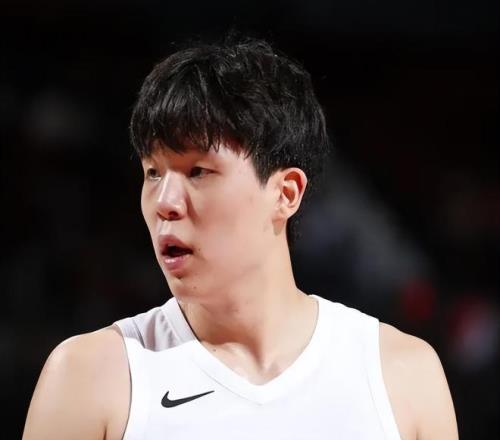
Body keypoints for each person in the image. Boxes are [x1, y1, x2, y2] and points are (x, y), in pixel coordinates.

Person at [22, 36, 458, 440]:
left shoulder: (401, 376)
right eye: (153, 172)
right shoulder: (89, 377)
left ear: (285, 193)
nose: (165, 202)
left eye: (198, 171)